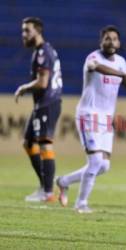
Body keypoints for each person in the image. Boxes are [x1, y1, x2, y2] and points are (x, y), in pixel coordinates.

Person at [56, 25, 126, 213]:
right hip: (88, 114)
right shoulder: (93, 58)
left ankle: (63, 181)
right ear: (101, 41)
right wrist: (124, 74)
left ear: (119, 43)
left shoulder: (121, 62)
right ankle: (81, 204)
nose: (111, 42)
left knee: (103, 166)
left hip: (106, 118)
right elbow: (100, 69)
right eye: (107, 38)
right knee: (95, 162)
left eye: (114, 39)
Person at [15, 17, 63, 202]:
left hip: (47, 103)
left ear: (38, 32)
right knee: (28, 143)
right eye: (23, 30)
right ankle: (45, 186)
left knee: (44, 144)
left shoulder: (43, 52)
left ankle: (49, 192)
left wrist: (23, 88)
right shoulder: (42, 51)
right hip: (42, 104)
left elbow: (43, 82)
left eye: (27, 30)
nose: (24, 34)